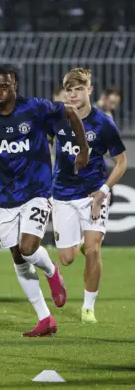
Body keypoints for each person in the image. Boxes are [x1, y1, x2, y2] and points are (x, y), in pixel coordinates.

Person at [0, 64, 89, 337]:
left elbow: (71, 113)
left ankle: (51, 271)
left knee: (27, 248)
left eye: (4, 86)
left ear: (16, 87)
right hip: (5, 194)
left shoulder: (35, 108)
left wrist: (82, 149)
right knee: (17, 256)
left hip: (37, 189)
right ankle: (45, 319)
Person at [51, 68, 127, 324]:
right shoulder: (56, 119)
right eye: (69, 90)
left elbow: (121, 162)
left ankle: (87, 308)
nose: (73, 95)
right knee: (67, 258)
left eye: (78, 89)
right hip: (62, 194)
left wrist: (103, 192)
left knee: (94, 249)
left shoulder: (103, 123)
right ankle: (71, 256)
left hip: (92, 194)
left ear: (89, 91)